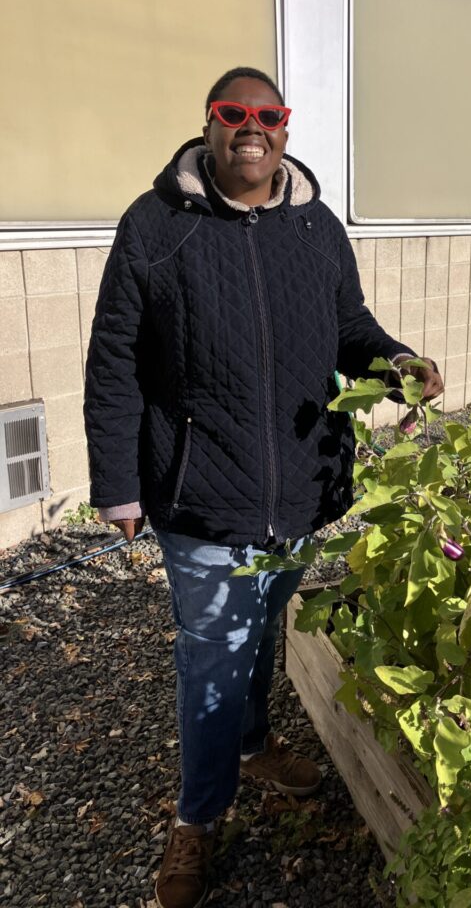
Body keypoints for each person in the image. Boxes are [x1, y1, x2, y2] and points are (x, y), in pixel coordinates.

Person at [84, 67, 443, 908]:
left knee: (259, 632)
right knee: (212, 659)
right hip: (201, 495)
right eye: (233, 114)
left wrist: (395, 364)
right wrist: (119, 485)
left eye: (267, 115)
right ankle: (197, 820)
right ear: (209, 126)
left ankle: (250, 749)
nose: (252, 128)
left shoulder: (316, 226)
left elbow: (349, 326)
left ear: (285, 127)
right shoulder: (154, 227)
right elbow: (113, 364)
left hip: (302, 490)